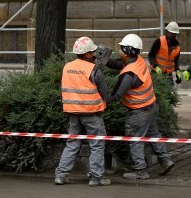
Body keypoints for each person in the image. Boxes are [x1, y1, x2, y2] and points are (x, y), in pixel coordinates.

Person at [106, 34, 174, 180]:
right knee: (154, 135)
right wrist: (105, 61)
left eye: (120, 48)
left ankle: (141, 171)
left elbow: (114, 96)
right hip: (151, 107)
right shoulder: (138, 61)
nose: (118, 50)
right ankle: (166, 160)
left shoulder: (129, 75)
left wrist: (99, 93)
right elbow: (119, 64)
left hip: (139, 112)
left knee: (135, 140)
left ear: (126, 51)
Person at [55, 36, 111, 187]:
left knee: (72, 143)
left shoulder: (67, 67)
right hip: (91, 113)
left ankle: (61, 175)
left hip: (73, 113)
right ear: (86, 54)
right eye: (92, 52)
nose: (94, 54)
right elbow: (104, 91)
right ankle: (96, 178)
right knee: (97, 144)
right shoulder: (93, 69)